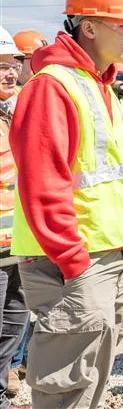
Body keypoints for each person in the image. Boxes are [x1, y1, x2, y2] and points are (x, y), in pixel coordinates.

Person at [10, 0, 123, 408]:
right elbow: (42, 183)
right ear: (88, 26)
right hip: (74, 261)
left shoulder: (100, 87)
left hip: (108, 253)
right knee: (65, 385)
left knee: (91, 376)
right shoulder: (53, 86)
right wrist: (71, 258)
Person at [0, 28, 29, 409]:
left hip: (15, 242)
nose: (9, 73)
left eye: (12, 65)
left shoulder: (10, 111)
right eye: (0, 66)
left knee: (13, 325)